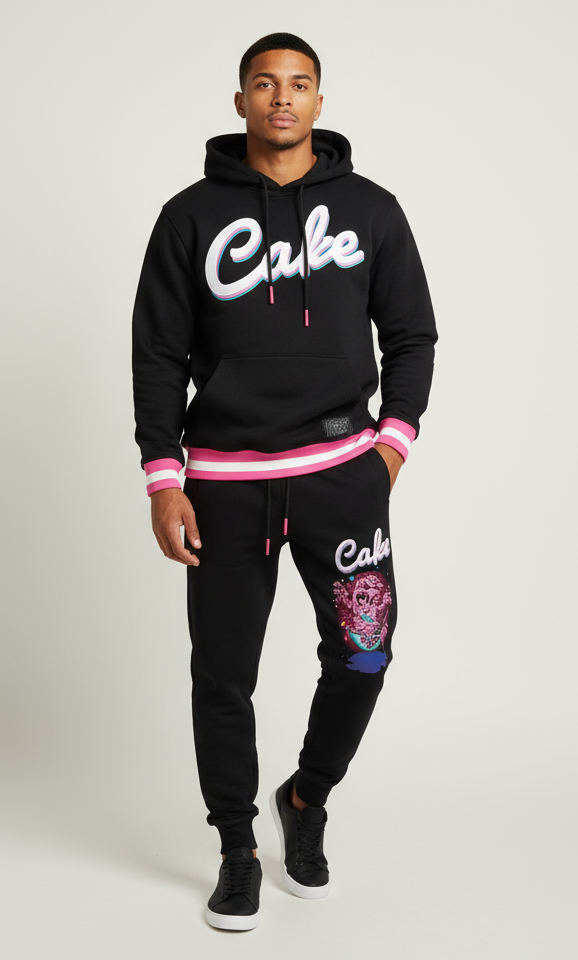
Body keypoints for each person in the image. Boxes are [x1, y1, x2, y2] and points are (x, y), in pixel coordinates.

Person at [132, 32, 438, 931]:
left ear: (318, 102)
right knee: (223, 676)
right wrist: (162, 476)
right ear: (240, 102)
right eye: (264, 84)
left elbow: (412, 334)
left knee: (364, 652)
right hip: (223, 485)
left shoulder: (372, 211)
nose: (281, 98)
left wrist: (392, 445)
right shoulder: (188, 217)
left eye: (299, 84)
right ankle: (237, 847)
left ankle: (305, 798)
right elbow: (158, 354)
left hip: (343, 477)